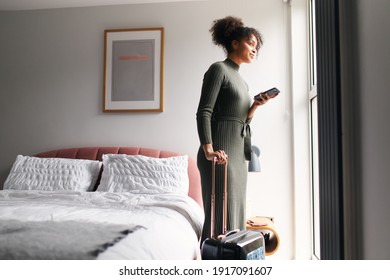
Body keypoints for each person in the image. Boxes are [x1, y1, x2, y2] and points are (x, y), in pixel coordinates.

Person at [196, 16, 271, 243]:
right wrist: (208, 149)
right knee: (221, 214)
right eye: (251, 43)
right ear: (235, 43)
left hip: (237, 155)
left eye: (256, 47)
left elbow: (240, 121)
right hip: (219, 154)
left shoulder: (241, 80)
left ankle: (232, 261)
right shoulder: (218, 70)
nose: (254, 49)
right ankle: (214, 262)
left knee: (236, 213)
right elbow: (204, 112)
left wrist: (254, 106)